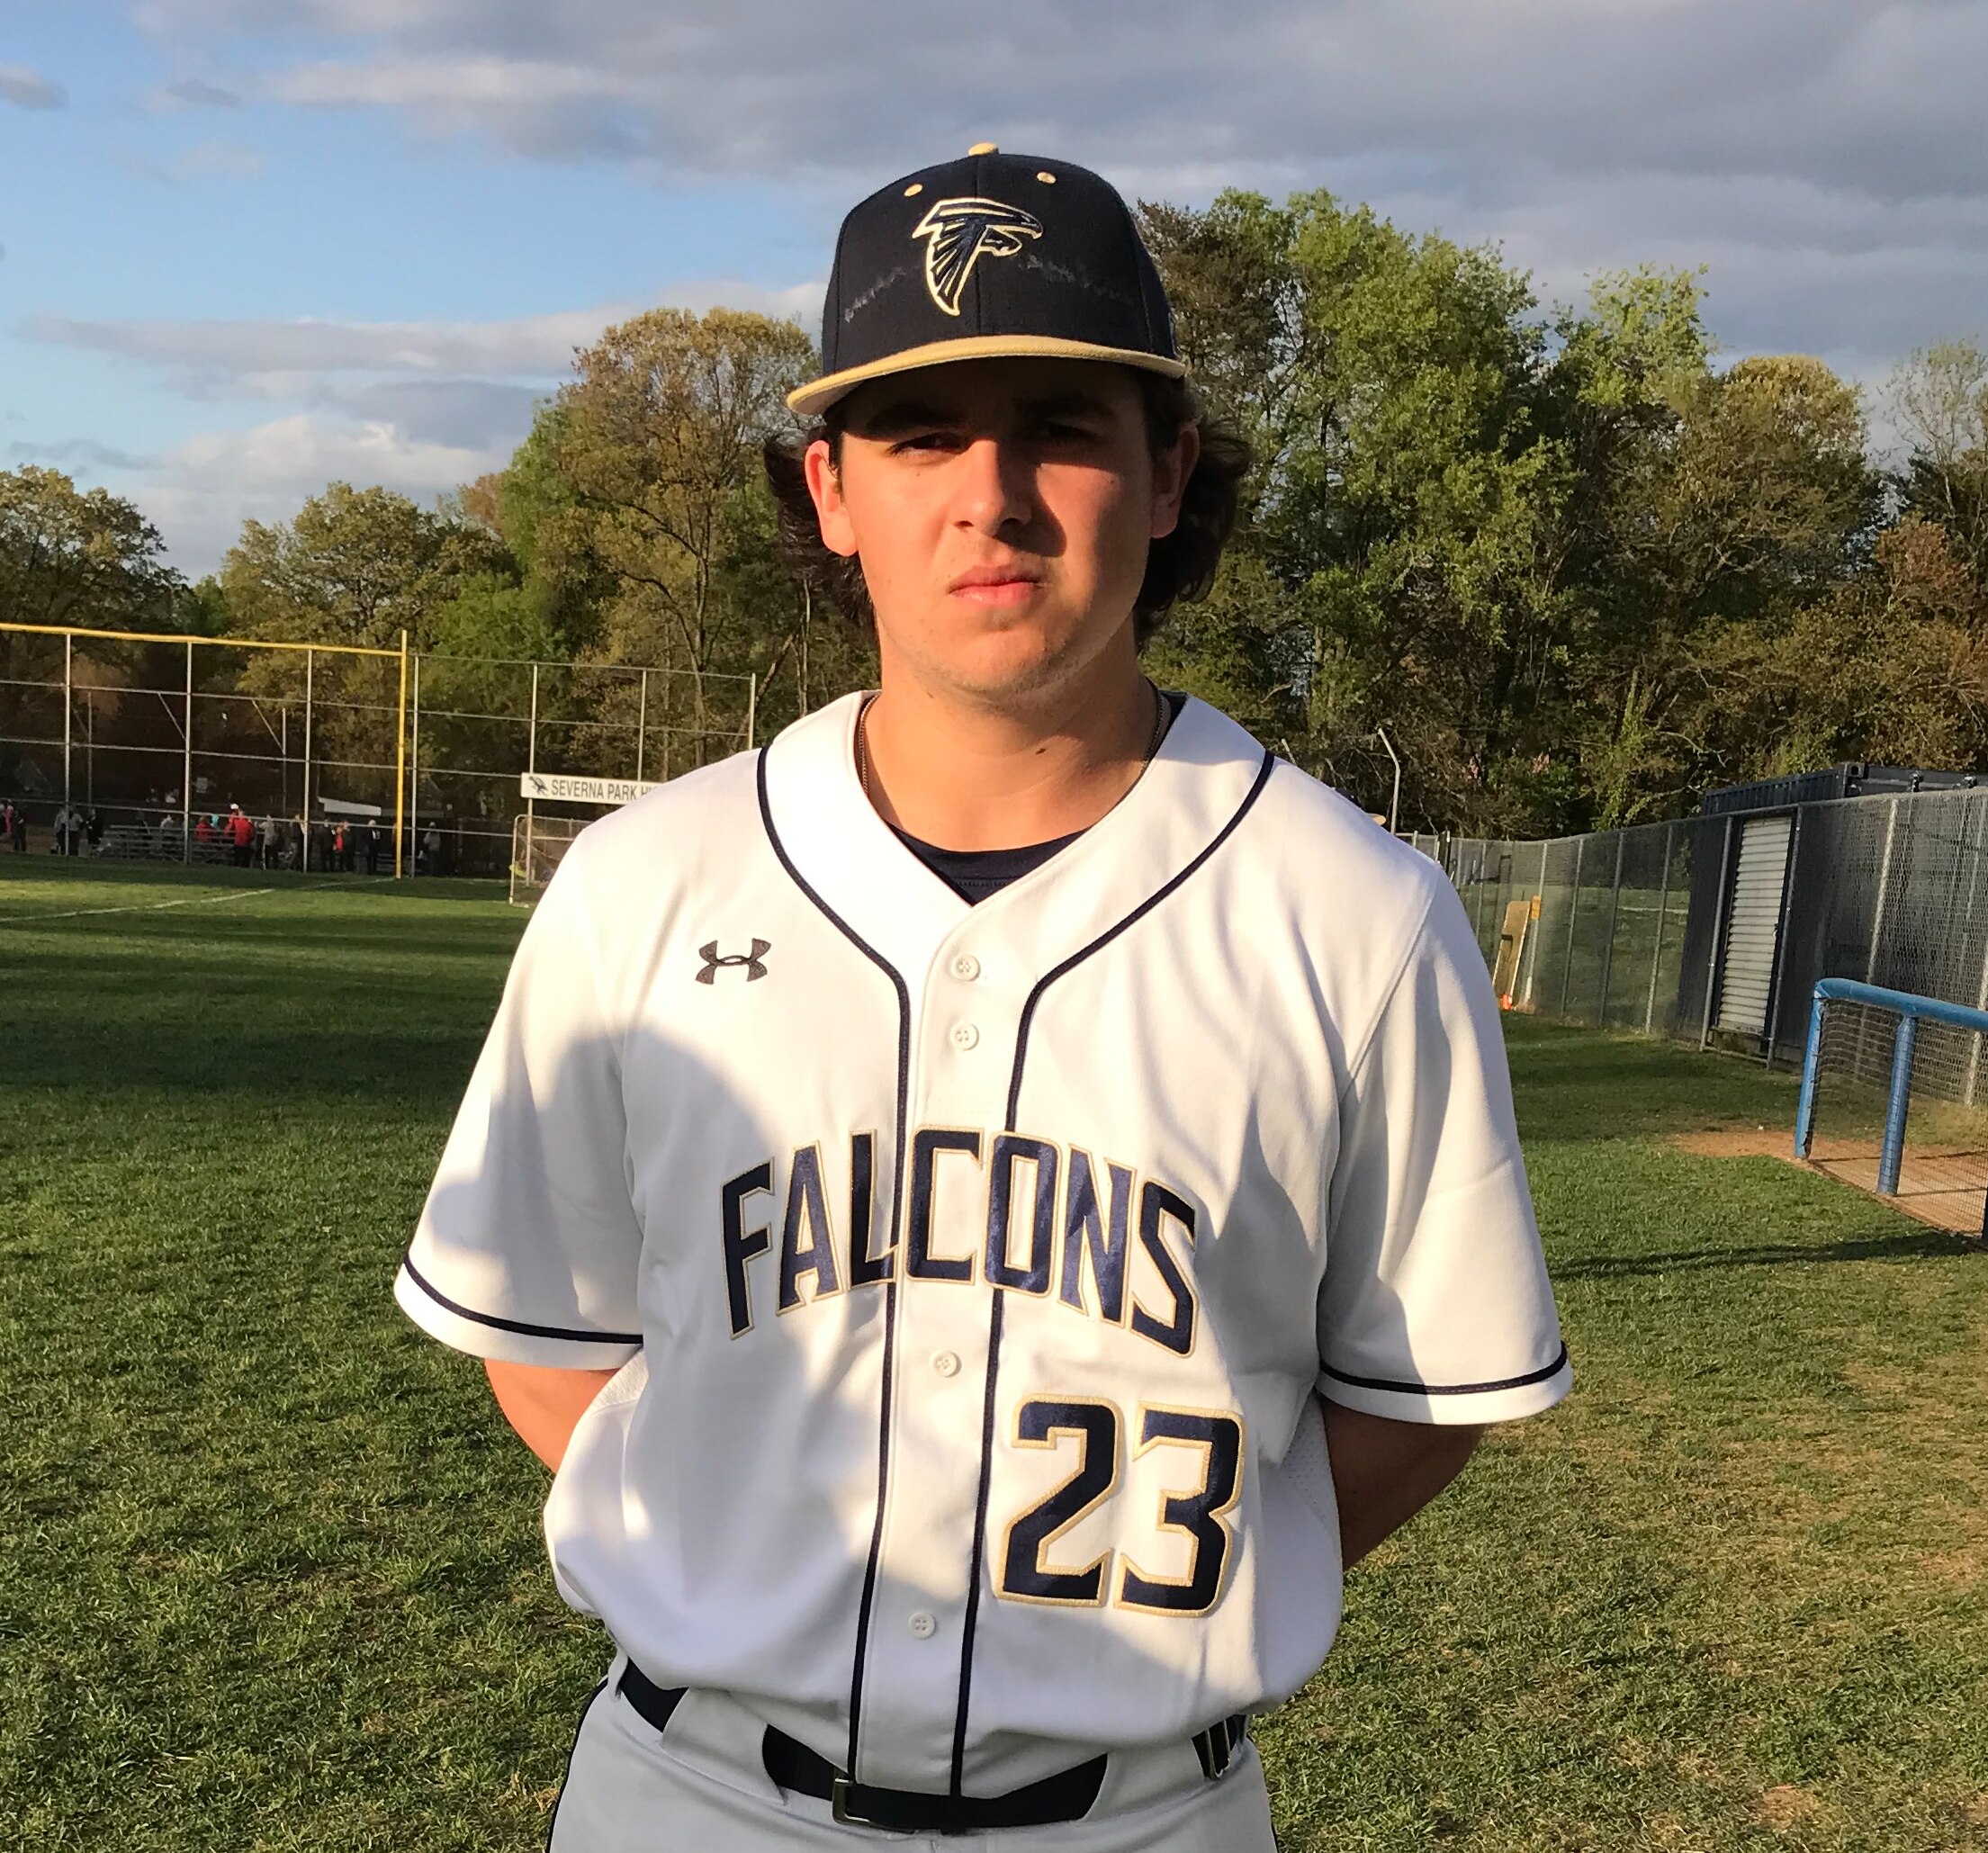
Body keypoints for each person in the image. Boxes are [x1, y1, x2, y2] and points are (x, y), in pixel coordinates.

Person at [395, 148, 1569, 1853]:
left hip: (1139, 1819)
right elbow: (542, 1333)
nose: (991, 493)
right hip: (689, 1795)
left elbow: (1410, 1399)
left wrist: (1154, 1599)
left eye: (1060, 427)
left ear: (1167, 476)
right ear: (829, 488)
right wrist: (750, 1569)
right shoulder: (648, 878)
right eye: (922, 432)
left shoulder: (1351, 910)